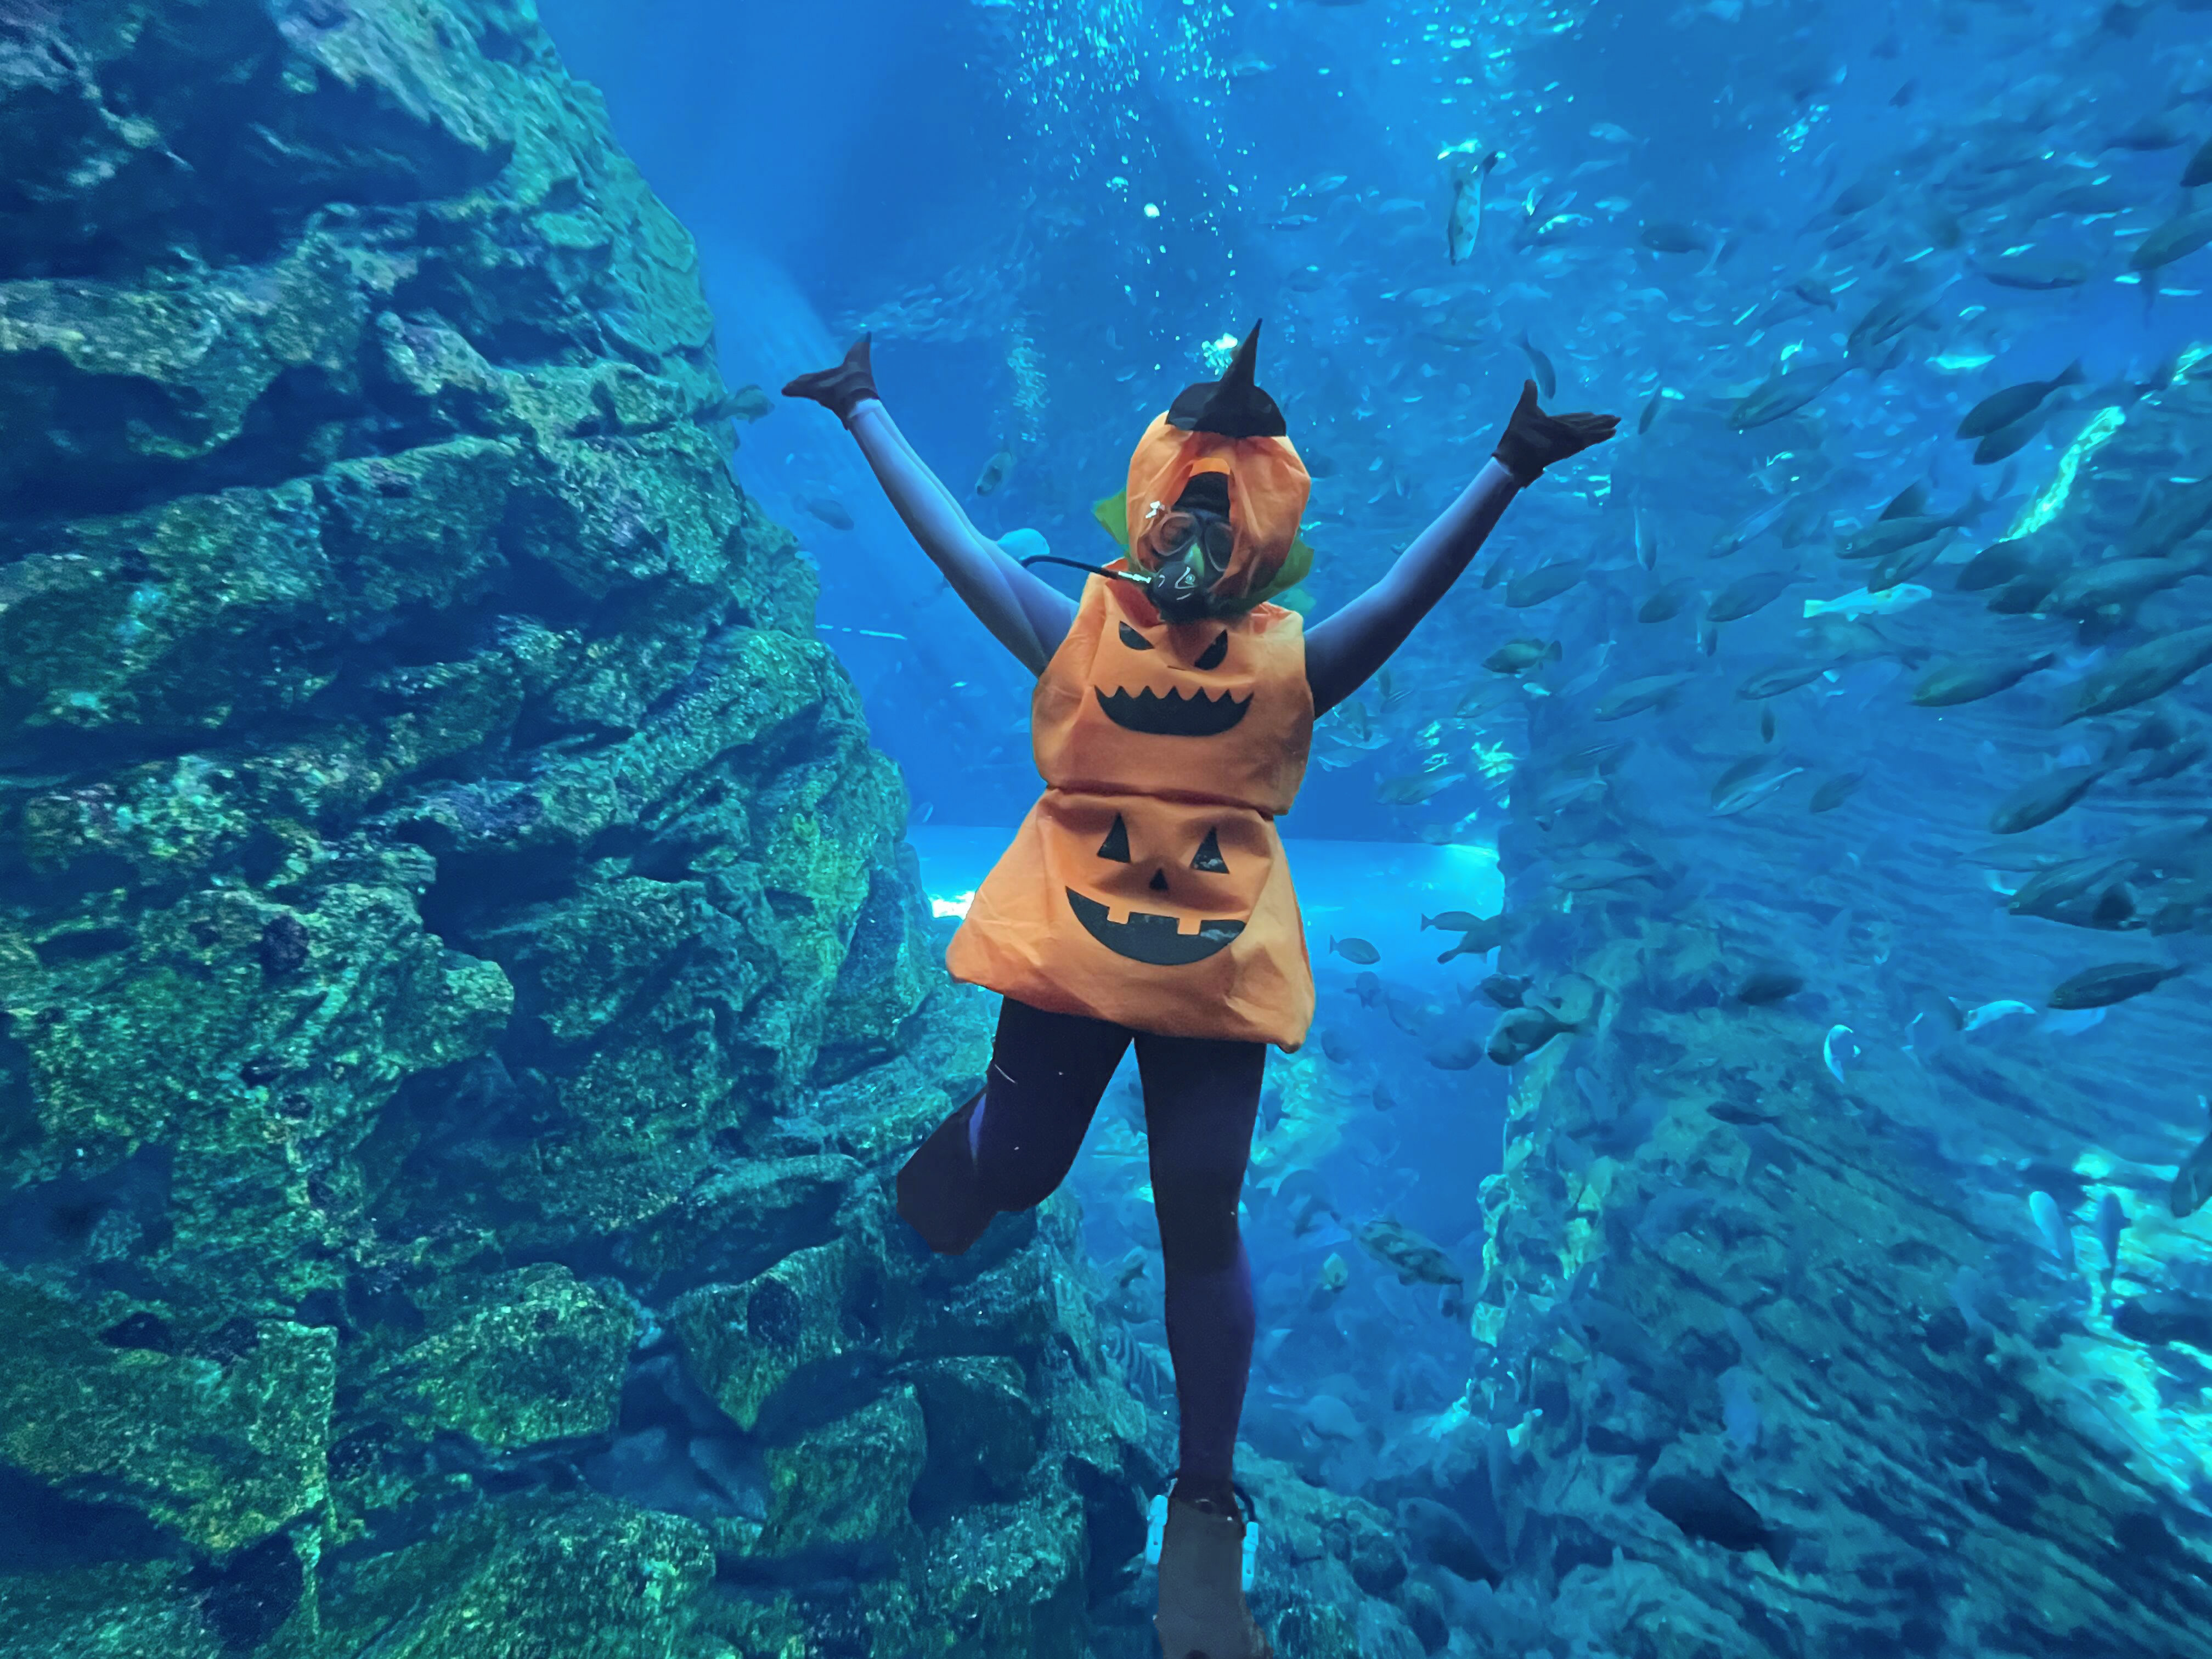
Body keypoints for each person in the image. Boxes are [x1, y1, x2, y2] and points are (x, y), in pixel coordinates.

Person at [785, 321, 1615, 1659]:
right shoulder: (1079, 630)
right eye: (1183, 517)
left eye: (1223, 526)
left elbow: (1402, 596)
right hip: (1076, 940)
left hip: (1211, 967)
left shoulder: (1285, 665)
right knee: (1023, 1168)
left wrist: (1508, 467)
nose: (1195, 547)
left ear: (1263, 537)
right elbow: (961, 551)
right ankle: (979, 1150)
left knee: (1200, 1214)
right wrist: (862, 410)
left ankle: (1206, 1504)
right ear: (1148, 511)